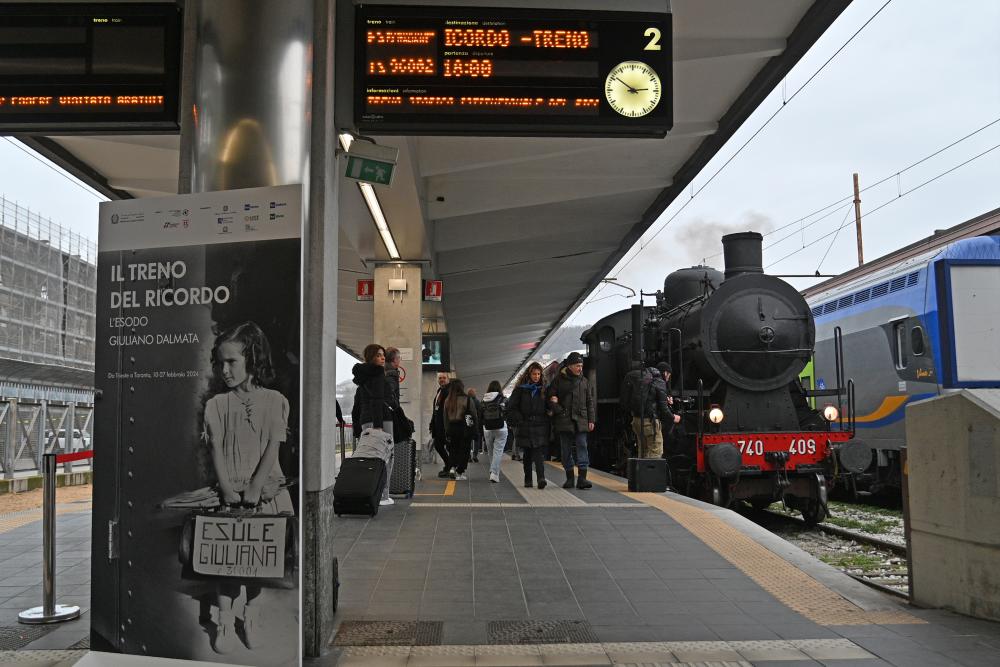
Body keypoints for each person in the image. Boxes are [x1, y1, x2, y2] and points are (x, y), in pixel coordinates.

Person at [203, 321, 292, 653]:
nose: (225, 370)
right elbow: (215, 448)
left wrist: (256, 487)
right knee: (225, 561)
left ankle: (251, 615)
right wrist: (226, 487)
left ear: (252, 359)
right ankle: (225, 620)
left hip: (265, 493)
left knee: (259, 561)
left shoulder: (275, 401)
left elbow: (273, 446)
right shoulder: (216, 405)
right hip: (228, 493)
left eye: (232, 362)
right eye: (220, 363)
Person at [351, 344, 395, 506]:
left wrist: (357, 428)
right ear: (370, 357)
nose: (382, 358)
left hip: (365, 420)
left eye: (383, 355)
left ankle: (367, 491)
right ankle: (383, 495)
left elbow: (357, 405)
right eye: (378, 355)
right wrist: (378, 425)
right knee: (387, 455)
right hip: (381, 419)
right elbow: (377, 400)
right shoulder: (378, 373)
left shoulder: (362, 377)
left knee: (368, 457)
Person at [547, 351, 595, 489]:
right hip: (564, 419)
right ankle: (569, 478)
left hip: (581, 419)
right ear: (569, 366)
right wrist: (559, 410)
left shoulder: (584, 381)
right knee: (566, 449)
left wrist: (591, 419)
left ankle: (582, 479)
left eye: (581, 366)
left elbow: (589, 401)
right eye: (577, 366)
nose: (580, 368)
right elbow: (550, 398)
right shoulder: (558, 380)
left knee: (582, 446)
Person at [620, 362, 678, 459]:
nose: (668, 378)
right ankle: (652, 469)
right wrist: (673, 417)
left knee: (643, 452)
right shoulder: (659, 382)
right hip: (650, 423)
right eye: (669, 375)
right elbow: (663, 408)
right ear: (665, 373)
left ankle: (642, 469)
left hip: (637, 420)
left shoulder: (646, 378)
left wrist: (665, 399)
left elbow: (650, 399)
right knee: (656, 451)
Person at [506, 362, 549, 488]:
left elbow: (548, 406)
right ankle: (528, 479)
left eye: (539, 374)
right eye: (534, 374)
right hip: (525, 425)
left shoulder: (544, 389)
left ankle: (541, 478)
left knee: (537, 452)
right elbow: (512, 407)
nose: (536, 376)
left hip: (539, 425)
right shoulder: (520, 390)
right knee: (528, 454)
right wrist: (520, 419)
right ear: (529, 375)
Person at [443, 379, 477, 480]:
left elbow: (445, 417)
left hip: (452, 427)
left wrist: (447, 430)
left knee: (453, 449)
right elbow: (474, 415)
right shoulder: (467, 399)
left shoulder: (448, 400)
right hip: (464, 428)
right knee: (464, 450)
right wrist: (475, 429)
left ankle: (452, 468)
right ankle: (460, 471)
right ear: (461, 387)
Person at [480, 380, 508, 483]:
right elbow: (507, 411)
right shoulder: (503, 399)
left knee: (491, 452)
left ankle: (493, 472)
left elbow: (480, 414)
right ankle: (494, 473)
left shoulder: (484, 400)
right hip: (501, 427)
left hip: (487, 428)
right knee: (498, 452)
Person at [430, 372, 452, 477]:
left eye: (444, 378)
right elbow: (436, 409)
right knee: (438, 445)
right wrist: (432, 423)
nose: (442, 379)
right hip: (438, 424)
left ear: (448, 379)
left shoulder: (449, 391)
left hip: (445, 425)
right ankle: (449, 466)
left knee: (446, 446)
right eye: (440, 378)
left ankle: (450, 467)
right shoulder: (440, 391)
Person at [467, 387, 483, 462]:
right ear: (474, 393)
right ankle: (475, 456)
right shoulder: (477, 402)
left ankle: (469, 457)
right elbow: (480, 413)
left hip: (468, 423)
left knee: (468, 441)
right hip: (476, 423)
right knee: (476, 440)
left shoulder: (466, 401)